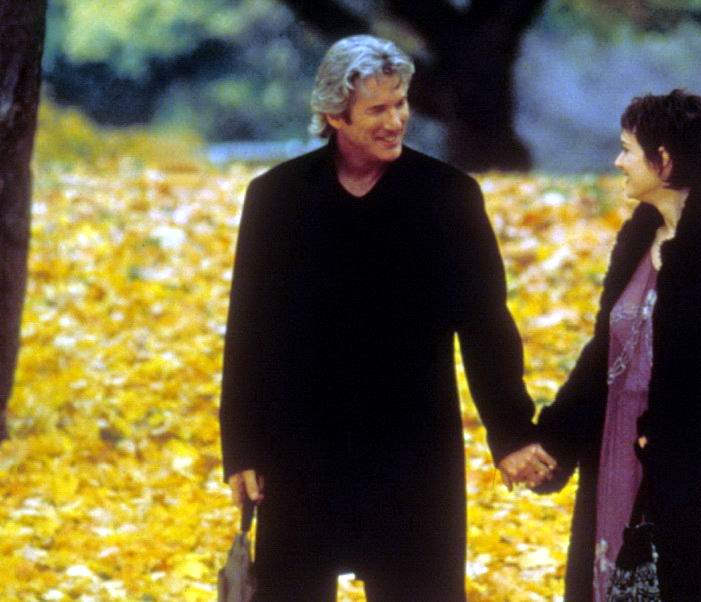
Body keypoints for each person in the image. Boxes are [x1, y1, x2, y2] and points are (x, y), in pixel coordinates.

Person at [218, 35, 555, 601]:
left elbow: (486, 326)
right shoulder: (277, 198)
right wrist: (243, 446)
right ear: (334, 115)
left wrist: (511, 432)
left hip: (413, 450)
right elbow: (251, 330)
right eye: (377, 109)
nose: (396, 120)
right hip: (301, 450)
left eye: (400, 103)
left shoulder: (448, 196)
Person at [527, 90, 701, 601]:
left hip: (700, 476)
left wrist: (669, 443)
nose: (618, 162)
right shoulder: (638, 236)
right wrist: (553, 441)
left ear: (662, 160)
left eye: (627, 149)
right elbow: (605, 354)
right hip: (617, 452)